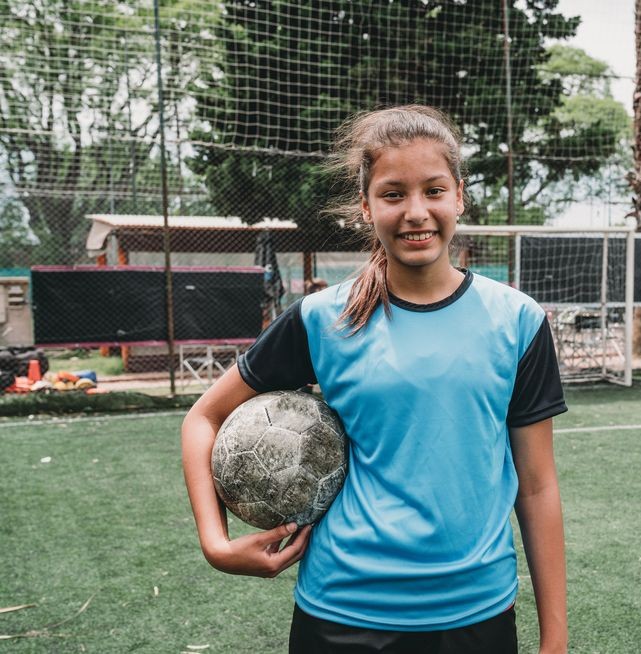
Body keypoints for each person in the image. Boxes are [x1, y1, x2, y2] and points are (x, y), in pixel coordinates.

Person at [181, 105, 569, 654]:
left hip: (477, 613)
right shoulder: (321, 320)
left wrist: (555, 640)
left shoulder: (518, 320)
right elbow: (204, 417)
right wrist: (215, 544)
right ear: (366, 207)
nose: (416, 212)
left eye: (434, 190)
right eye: (393, 194)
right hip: (342, 613)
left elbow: (537, 486)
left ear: (459, 195)